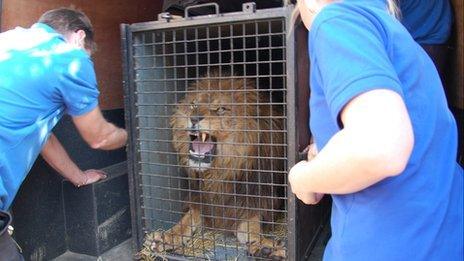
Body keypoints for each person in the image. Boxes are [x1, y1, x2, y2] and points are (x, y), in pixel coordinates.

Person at [288, 0, 463, 260]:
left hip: (383, 244)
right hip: (442, 237)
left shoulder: (336, 21)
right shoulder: (400, 37)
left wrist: (304, 177)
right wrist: (327, 154)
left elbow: (381, 147)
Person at [0, 7, 128, 260]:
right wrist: (138, 134)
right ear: (79, 37)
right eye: (88, 56)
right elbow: (99, 137)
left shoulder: (9, 41)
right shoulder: (70, 57)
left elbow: (42, 136)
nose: (87, 63)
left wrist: (79, 176)